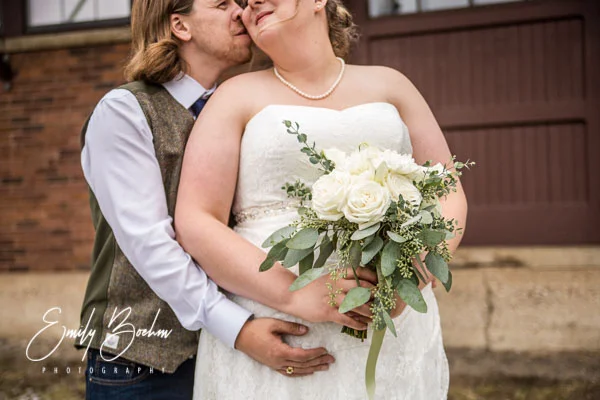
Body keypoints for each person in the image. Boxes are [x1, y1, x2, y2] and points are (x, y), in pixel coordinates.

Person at [175, 0, 468, 398]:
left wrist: (413, 273)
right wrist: (297, 293)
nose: (251, 3)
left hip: (390, 319)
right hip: (281, 325)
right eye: (243, 1)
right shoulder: (233, 96)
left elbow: (447, 187)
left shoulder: (392, 85)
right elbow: (196, 220)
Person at [77, 0, 371, 398]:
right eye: (222, 3)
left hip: (232, 361)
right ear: (181, 26)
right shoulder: (125, 112)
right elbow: (149, 244)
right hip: (142, 362)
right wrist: (239, 329)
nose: (241, 11)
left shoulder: (247, 110)